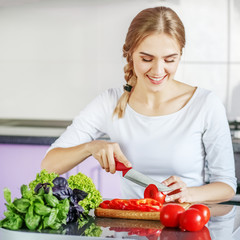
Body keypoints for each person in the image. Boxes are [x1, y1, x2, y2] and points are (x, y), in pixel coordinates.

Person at [41, 6, 236, 204]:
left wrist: (189, 194)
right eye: (146, 59)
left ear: (180, 55)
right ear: (130, 54)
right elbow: (49, 165)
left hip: (187, 224)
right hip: (132, 228)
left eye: (169, 59)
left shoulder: (205, 104)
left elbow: (227, 186)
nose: (158, 70)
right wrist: (90, 147)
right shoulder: (109, 103)